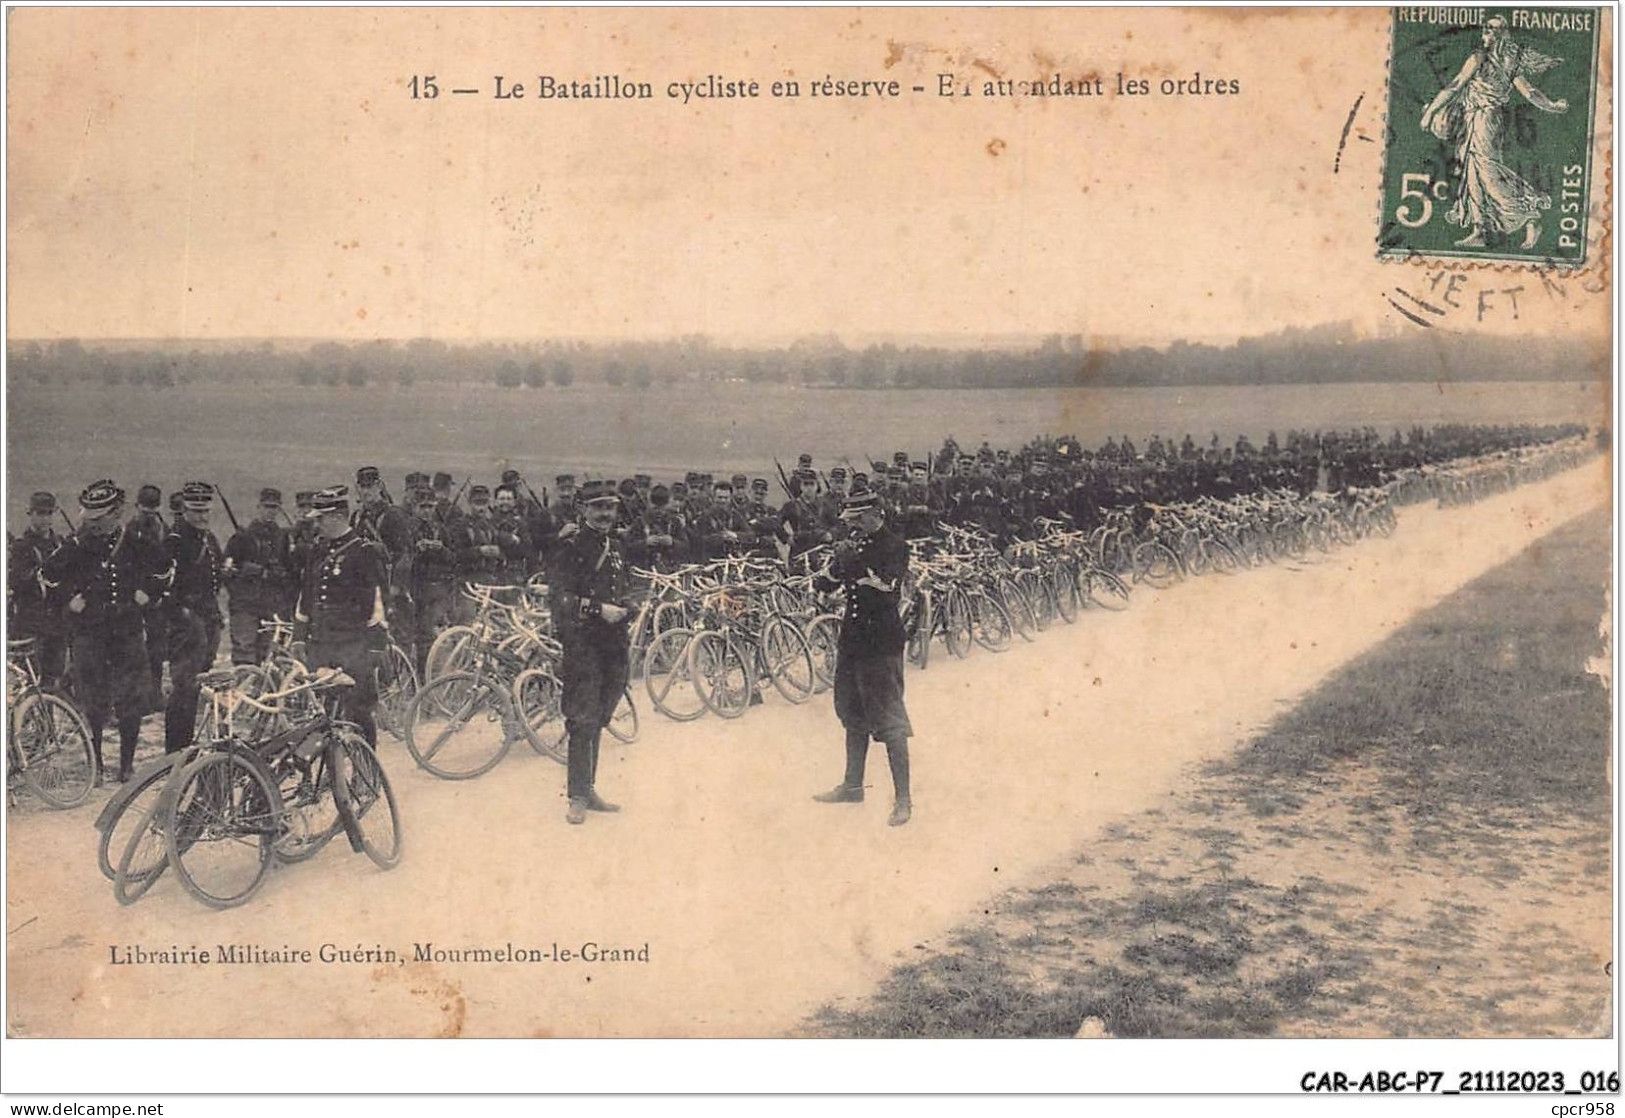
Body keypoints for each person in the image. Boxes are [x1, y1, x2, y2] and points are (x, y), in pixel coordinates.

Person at [41, 481, 164, 782]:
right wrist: (70, 599)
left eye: (99, 519)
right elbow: (46, 576)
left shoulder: (136, 541)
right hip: (89, 634)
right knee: (93, 699)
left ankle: (126, 765)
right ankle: (95, 763)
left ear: (117, 513)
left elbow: (164, 570)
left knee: (131, 699)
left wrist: (147, 593)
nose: (91, 524)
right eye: (89, 518)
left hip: (128, 630)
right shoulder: (76, 544)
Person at [1420, 15, 1569, 249]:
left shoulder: (1482, 58)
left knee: (1488, 172)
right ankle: (1480, 229)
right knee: (1472, 173)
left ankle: (1530, 216)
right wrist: (1552, 105)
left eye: (1490, 31)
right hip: (1476, 118)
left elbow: (1456, 84)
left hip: (1485, 119)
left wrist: (1430, 113)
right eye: (1485, 30)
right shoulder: (1506, 61)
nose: (1485, 34)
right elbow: (1529, 92)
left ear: (1501, 35)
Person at [811, 489, 914, 826]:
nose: (853, 526)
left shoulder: (894, 546)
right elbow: (827, 585)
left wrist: (852, 562)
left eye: (858, 520)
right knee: (852, 712)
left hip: (880, 641)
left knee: (889, 720)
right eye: (850, 521)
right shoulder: (858, 545)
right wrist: (831, 568)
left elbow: (885, 589)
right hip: (853, 641)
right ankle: (853, 786)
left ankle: (903, 801)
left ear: (875, 514)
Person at [548, 479, 630, 825]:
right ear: (583, 510)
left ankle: (590, 787)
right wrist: (599, 610)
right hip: (583, 642)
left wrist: (631, 605)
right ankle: (578, 796)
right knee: (583, 718)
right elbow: (560, 598)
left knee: (601, 715)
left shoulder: (617, 545)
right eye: (597, 507)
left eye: (609, 507)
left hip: (614, 643)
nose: (604, 514)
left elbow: (624, 584)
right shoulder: (570, 548)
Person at [292, 486, 390, 748]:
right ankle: (331, 770)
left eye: (320, 518)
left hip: (354, 646)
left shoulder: (364, 552)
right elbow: (307, 596)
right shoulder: (318, 551)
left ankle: (365, 770)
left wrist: (375, 647)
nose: (316, 524)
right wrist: (299, 638)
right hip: (322, 644)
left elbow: (377, 604)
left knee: (358, 711)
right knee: (323, 713)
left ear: (337, 517)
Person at [163, 482, 226, 755]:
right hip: (186, 626)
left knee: (198, 684)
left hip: (209, 621)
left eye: (206, 511)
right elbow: (163, 588)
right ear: (184, 509)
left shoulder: (208, 538)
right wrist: (185, 616)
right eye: (196, 510)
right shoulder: (174, 541)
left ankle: (188, 749)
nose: (202, 516)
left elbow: (216, 576)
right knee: (184, 689)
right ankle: (176, 753)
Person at [224, 487, 294, 665]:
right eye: (267, 506)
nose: (270, 511)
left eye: (274, 507)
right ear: (259, 507)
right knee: (244, 650)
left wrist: (278, 576)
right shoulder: (242, 537)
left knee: (268, 654)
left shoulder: (282, 537)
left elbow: (287, 567)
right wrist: (253, 574)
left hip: (271, 604)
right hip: (245, 604)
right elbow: (227, 571)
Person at [8, 492, 67, 690]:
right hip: (30, 624)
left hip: (56, 624)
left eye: (50, 513)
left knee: (51, 681)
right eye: (41, 513)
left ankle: (46, 720)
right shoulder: (21, 547)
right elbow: (19, 583)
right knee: (27, 682)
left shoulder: (60, 543)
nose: (46, 519)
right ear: (30, 514)